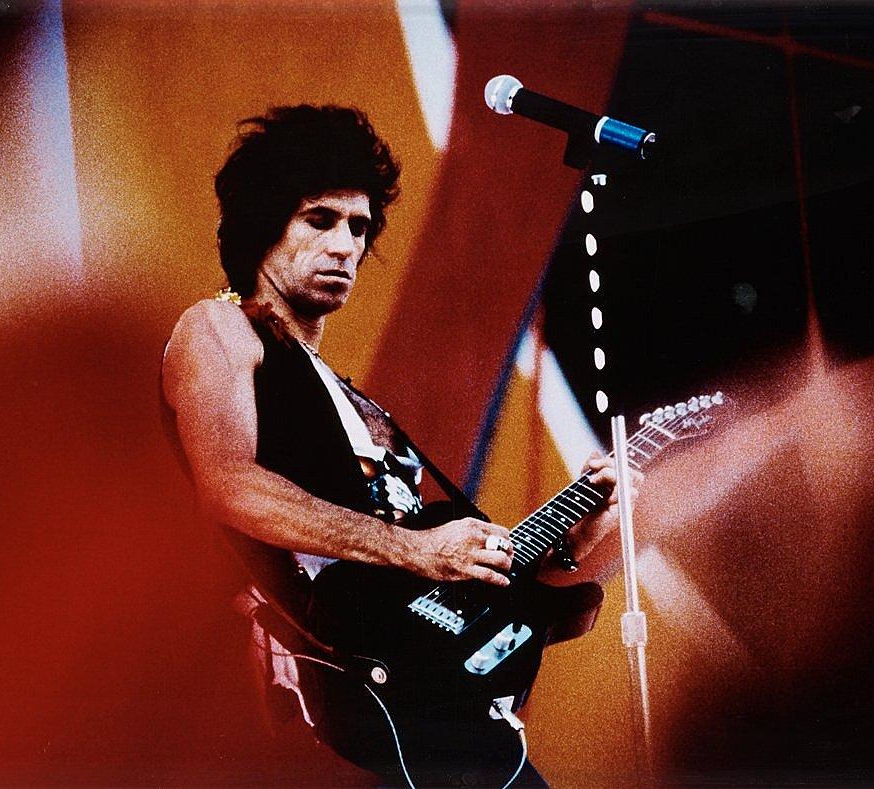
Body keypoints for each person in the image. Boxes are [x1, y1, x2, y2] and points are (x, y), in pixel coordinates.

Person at [160, 104, 634, 785]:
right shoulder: (220, 326)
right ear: (264, 225)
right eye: (319, 219)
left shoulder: (352, 402)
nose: (345, 245)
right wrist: (415, 549)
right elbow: (228, 484)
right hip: (330, 709)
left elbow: (470, 597)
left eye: (359, 227)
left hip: (437, 708)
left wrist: (577, 538)